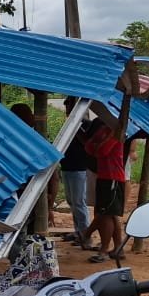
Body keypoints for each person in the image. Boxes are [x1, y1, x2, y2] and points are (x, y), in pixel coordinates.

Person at [83, 120, 126, 261]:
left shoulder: (117, 133)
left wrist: (99, 145)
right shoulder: (104, 129)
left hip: (113, 178)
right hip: (104, 177)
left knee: (106, 214)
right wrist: (99, 146)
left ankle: (104, 250)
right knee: (110, 214)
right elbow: (89, 147)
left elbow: (101, 151)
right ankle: (118, 248)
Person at [58, 98, 92, 245]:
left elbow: (88, 144)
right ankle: (78, 231)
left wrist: (75, 129)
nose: (68, 112)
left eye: (70, 109)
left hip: (79, 167)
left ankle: (86, 235)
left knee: (79, 202)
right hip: (67, 166)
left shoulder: (85, 125)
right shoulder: (69, 124)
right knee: (72, 201)